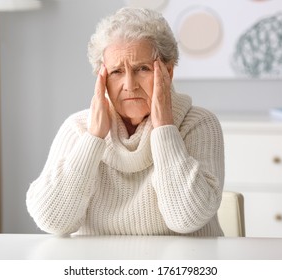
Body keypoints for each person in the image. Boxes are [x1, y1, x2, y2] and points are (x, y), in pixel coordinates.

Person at [26, 7, 225, 236]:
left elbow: (187, 219)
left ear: (168, 72)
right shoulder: (78, 128)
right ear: (102, 77)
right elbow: (52, 221)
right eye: (117, 71)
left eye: (142, 69)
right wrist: (93, 139)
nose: (129, 85)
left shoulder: (198, 124)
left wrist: (164, 129)